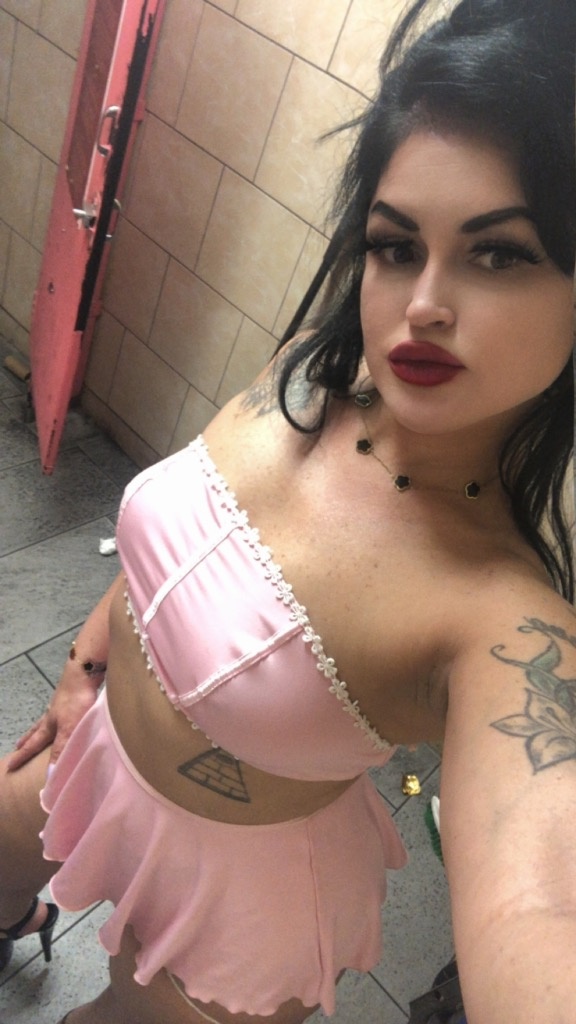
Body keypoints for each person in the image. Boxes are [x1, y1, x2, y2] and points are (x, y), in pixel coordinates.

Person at [1, 0, 575, 1021]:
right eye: (396, 245)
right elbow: (174, 555)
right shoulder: (310, 370)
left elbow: (541, 909)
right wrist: (87, 666)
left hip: (243, 899)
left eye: (499, 254)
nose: (423, 303)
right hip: (92, 742)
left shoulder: (503, 622)